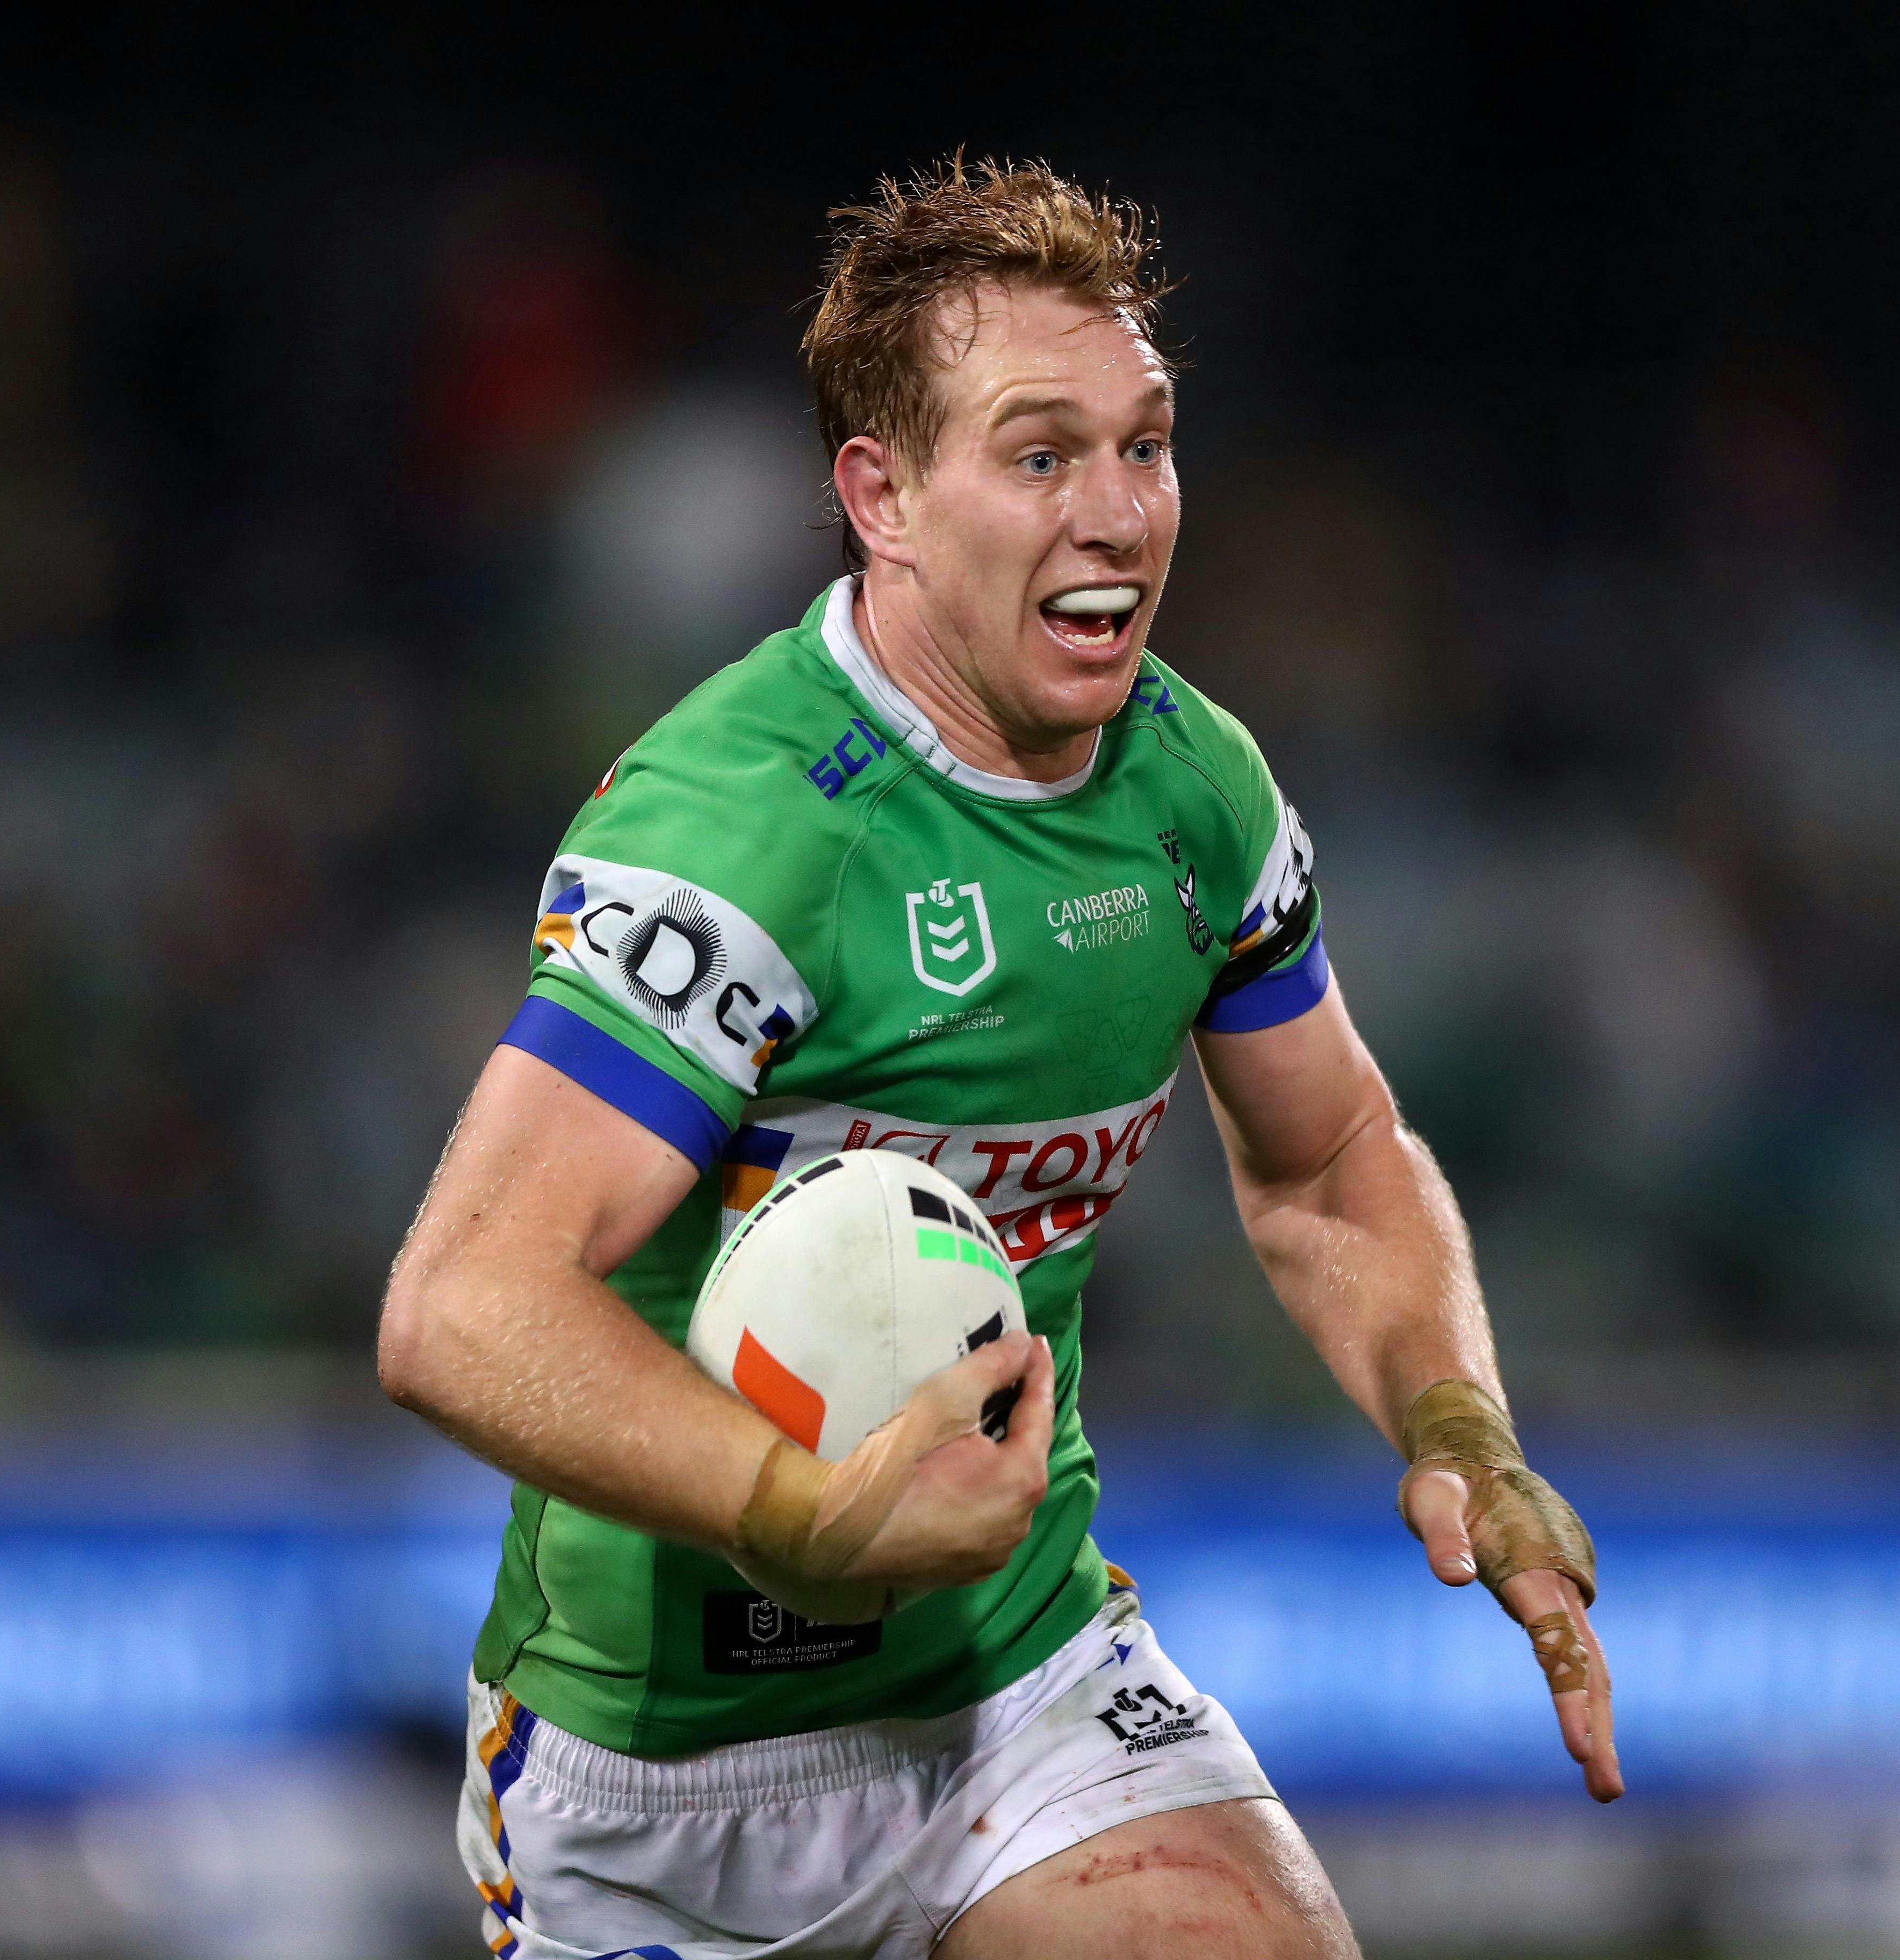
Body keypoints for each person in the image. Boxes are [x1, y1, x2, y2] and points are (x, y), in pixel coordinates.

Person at [378, 155, 1620, 1960]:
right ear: (880, 496)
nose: (1119, 513)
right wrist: (800, 1514)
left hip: (1017, 1695)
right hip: (666, 1783)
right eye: (1043, 456)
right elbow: (460, 1303)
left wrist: (1457, 1422)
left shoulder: (1197, 794)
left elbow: (1331, 1160)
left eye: (1148, 443)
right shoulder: (743, 834)